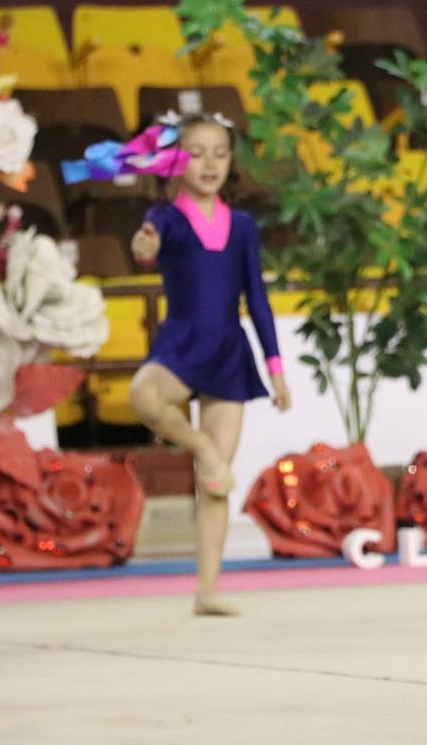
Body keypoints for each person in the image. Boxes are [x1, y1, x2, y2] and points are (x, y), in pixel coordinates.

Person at [126, 112, 290, 617]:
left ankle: (208, 590)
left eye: (220, 153)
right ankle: (201, 448)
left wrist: (276, 368)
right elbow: (145, 247)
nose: (209, 163)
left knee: (214, 482)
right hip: (179, 344)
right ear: (176, 160)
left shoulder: (242, 225)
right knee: (143, 395)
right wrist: (143, 247)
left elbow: (257, 299)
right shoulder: (166, 216)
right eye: (196, 152)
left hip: (227, 350)